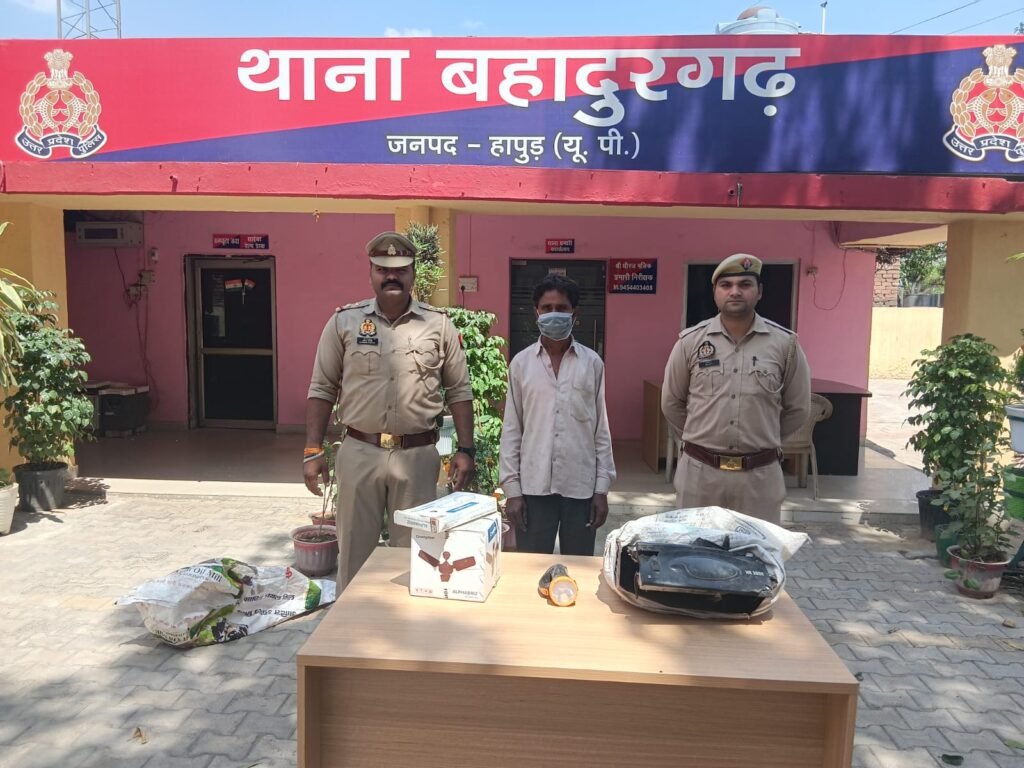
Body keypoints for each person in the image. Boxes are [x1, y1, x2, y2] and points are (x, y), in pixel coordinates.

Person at [304, 231, 475, 589]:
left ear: (413, 273)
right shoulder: (344, 322)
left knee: (416, 557)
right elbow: (322, 388)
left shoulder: (438, 325)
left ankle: (407, 622)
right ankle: (351, 622)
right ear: (371, 273)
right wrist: (312, 449)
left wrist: (465, 449)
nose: (391, 276)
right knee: (354, 553)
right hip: (360, 452)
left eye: (400, 269)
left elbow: (459, 391)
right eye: (383, 269)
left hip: (417, 456)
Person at [661, 253, 811, 525]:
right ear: (715, 292)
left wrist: (763, 438)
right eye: (726, 285)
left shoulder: (785, 345)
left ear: (759, 291)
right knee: (697, 548)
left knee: (756, 549)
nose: (735, 291)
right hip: (700, 475)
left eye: (745, 284)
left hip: (759, 478)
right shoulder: (690, 342)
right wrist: (701, 437)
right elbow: (672, 402)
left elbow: (798, 408)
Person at [499, 274, 616, 555]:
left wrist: (601, 489)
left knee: (578, 567)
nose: (554, 314)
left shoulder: (592, 363)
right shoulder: (521, 364)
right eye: (547, 308)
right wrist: (512, 491)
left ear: (574, 314)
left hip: (581, 488)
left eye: (561, 308)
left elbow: (600, 429)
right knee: (530, 567)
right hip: (533, 487)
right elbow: (512, 429)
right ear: (536, 313)